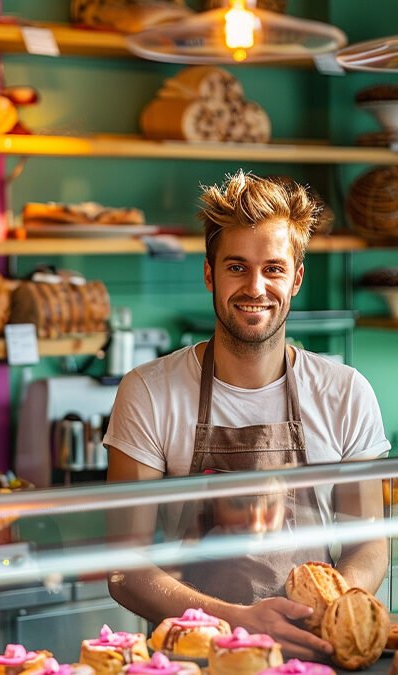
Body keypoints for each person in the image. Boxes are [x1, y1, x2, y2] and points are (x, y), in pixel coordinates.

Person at [103, 170, 390, 660]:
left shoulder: (345, 393)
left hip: (310, 653)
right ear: (210, 273)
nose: (255, 287)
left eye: (273, 269)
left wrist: (327, 614)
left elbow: (368, 546)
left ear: (296, 278)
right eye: (237, 267)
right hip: (194, 659)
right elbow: (124, 569)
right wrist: (238, 623)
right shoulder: (149, 391)